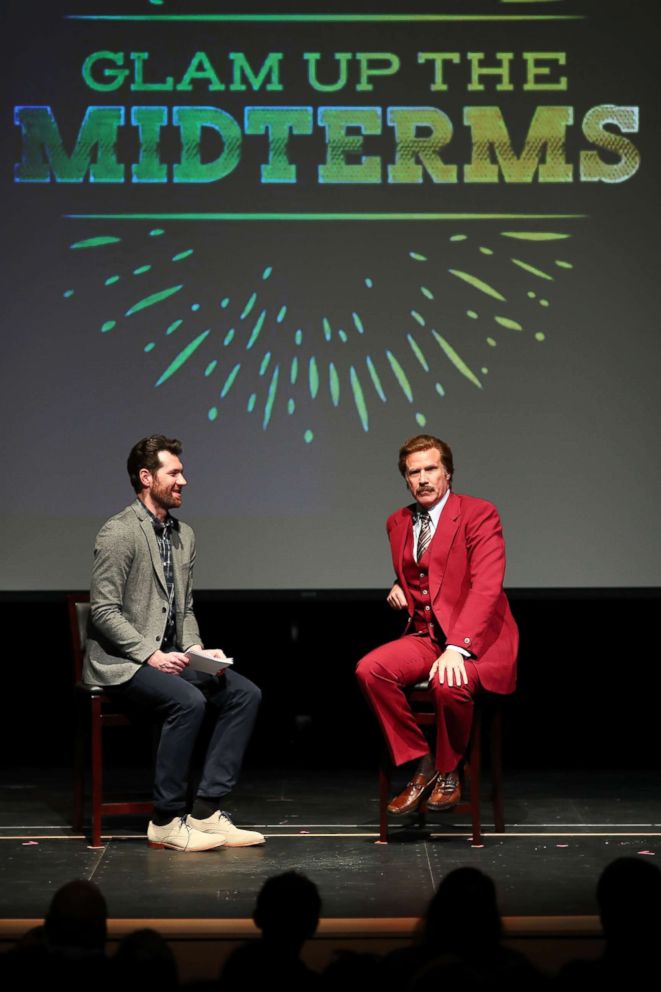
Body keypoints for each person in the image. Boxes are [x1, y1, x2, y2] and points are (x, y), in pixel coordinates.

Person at [84, 434, 264, 852]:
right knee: (188, 702)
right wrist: (150, 654)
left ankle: (204, 810)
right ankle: (165, 820)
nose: (184, 480)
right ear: (147, 478)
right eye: (174, 472)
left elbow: (183, 609)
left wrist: (197, 650)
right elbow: (104, 611)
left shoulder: (183, 536)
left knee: (244, 693)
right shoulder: (119, 532)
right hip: (122, 662)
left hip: (171, 658)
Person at [356, 434, 518, 815]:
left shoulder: (479, 513)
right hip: (427, 634)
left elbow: (486, 586)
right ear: (406, 480)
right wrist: (400, 585)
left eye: (431, 469)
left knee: (450, 682)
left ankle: (449, 769)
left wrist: (457, 647)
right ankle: (423, 760)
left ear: (448, 473)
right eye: (415, 472)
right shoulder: (398, 521)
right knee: (370, 670)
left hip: (479, 639)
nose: (424, 478)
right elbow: (426, 572)